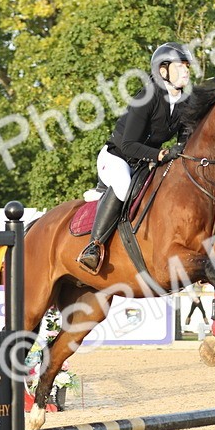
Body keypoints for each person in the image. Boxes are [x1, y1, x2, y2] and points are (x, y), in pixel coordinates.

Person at [77, 42, 193, 274]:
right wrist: (160, 154)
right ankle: (94, 246)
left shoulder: (186, 100)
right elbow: (129, 144)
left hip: (143, 163)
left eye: (187, 67)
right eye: (180, 67)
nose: (186, 71)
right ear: (163, 71)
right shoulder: (147, 97)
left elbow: (185, 139)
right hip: (116, 158)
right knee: (123, 185)